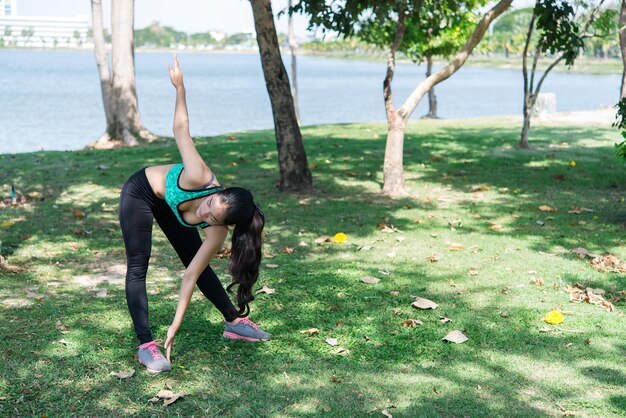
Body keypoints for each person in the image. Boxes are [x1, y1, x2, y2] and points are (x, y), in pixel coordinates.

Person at [119, 55, 271, 374]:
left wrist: (174, 326)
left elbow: (190, 275)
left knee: (199, 267)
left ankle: (234, 321)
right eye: (209, 206)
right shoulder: (198, 176)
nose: (206, 213)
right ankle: (146, 344)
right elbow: (181, 128)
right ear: (216, 193)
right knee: (138, 265)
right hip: (141, 192)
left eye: (212, 218)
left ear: (223, 225)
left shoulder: (216, 230)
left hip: (170, 209)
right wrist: (180, 88)